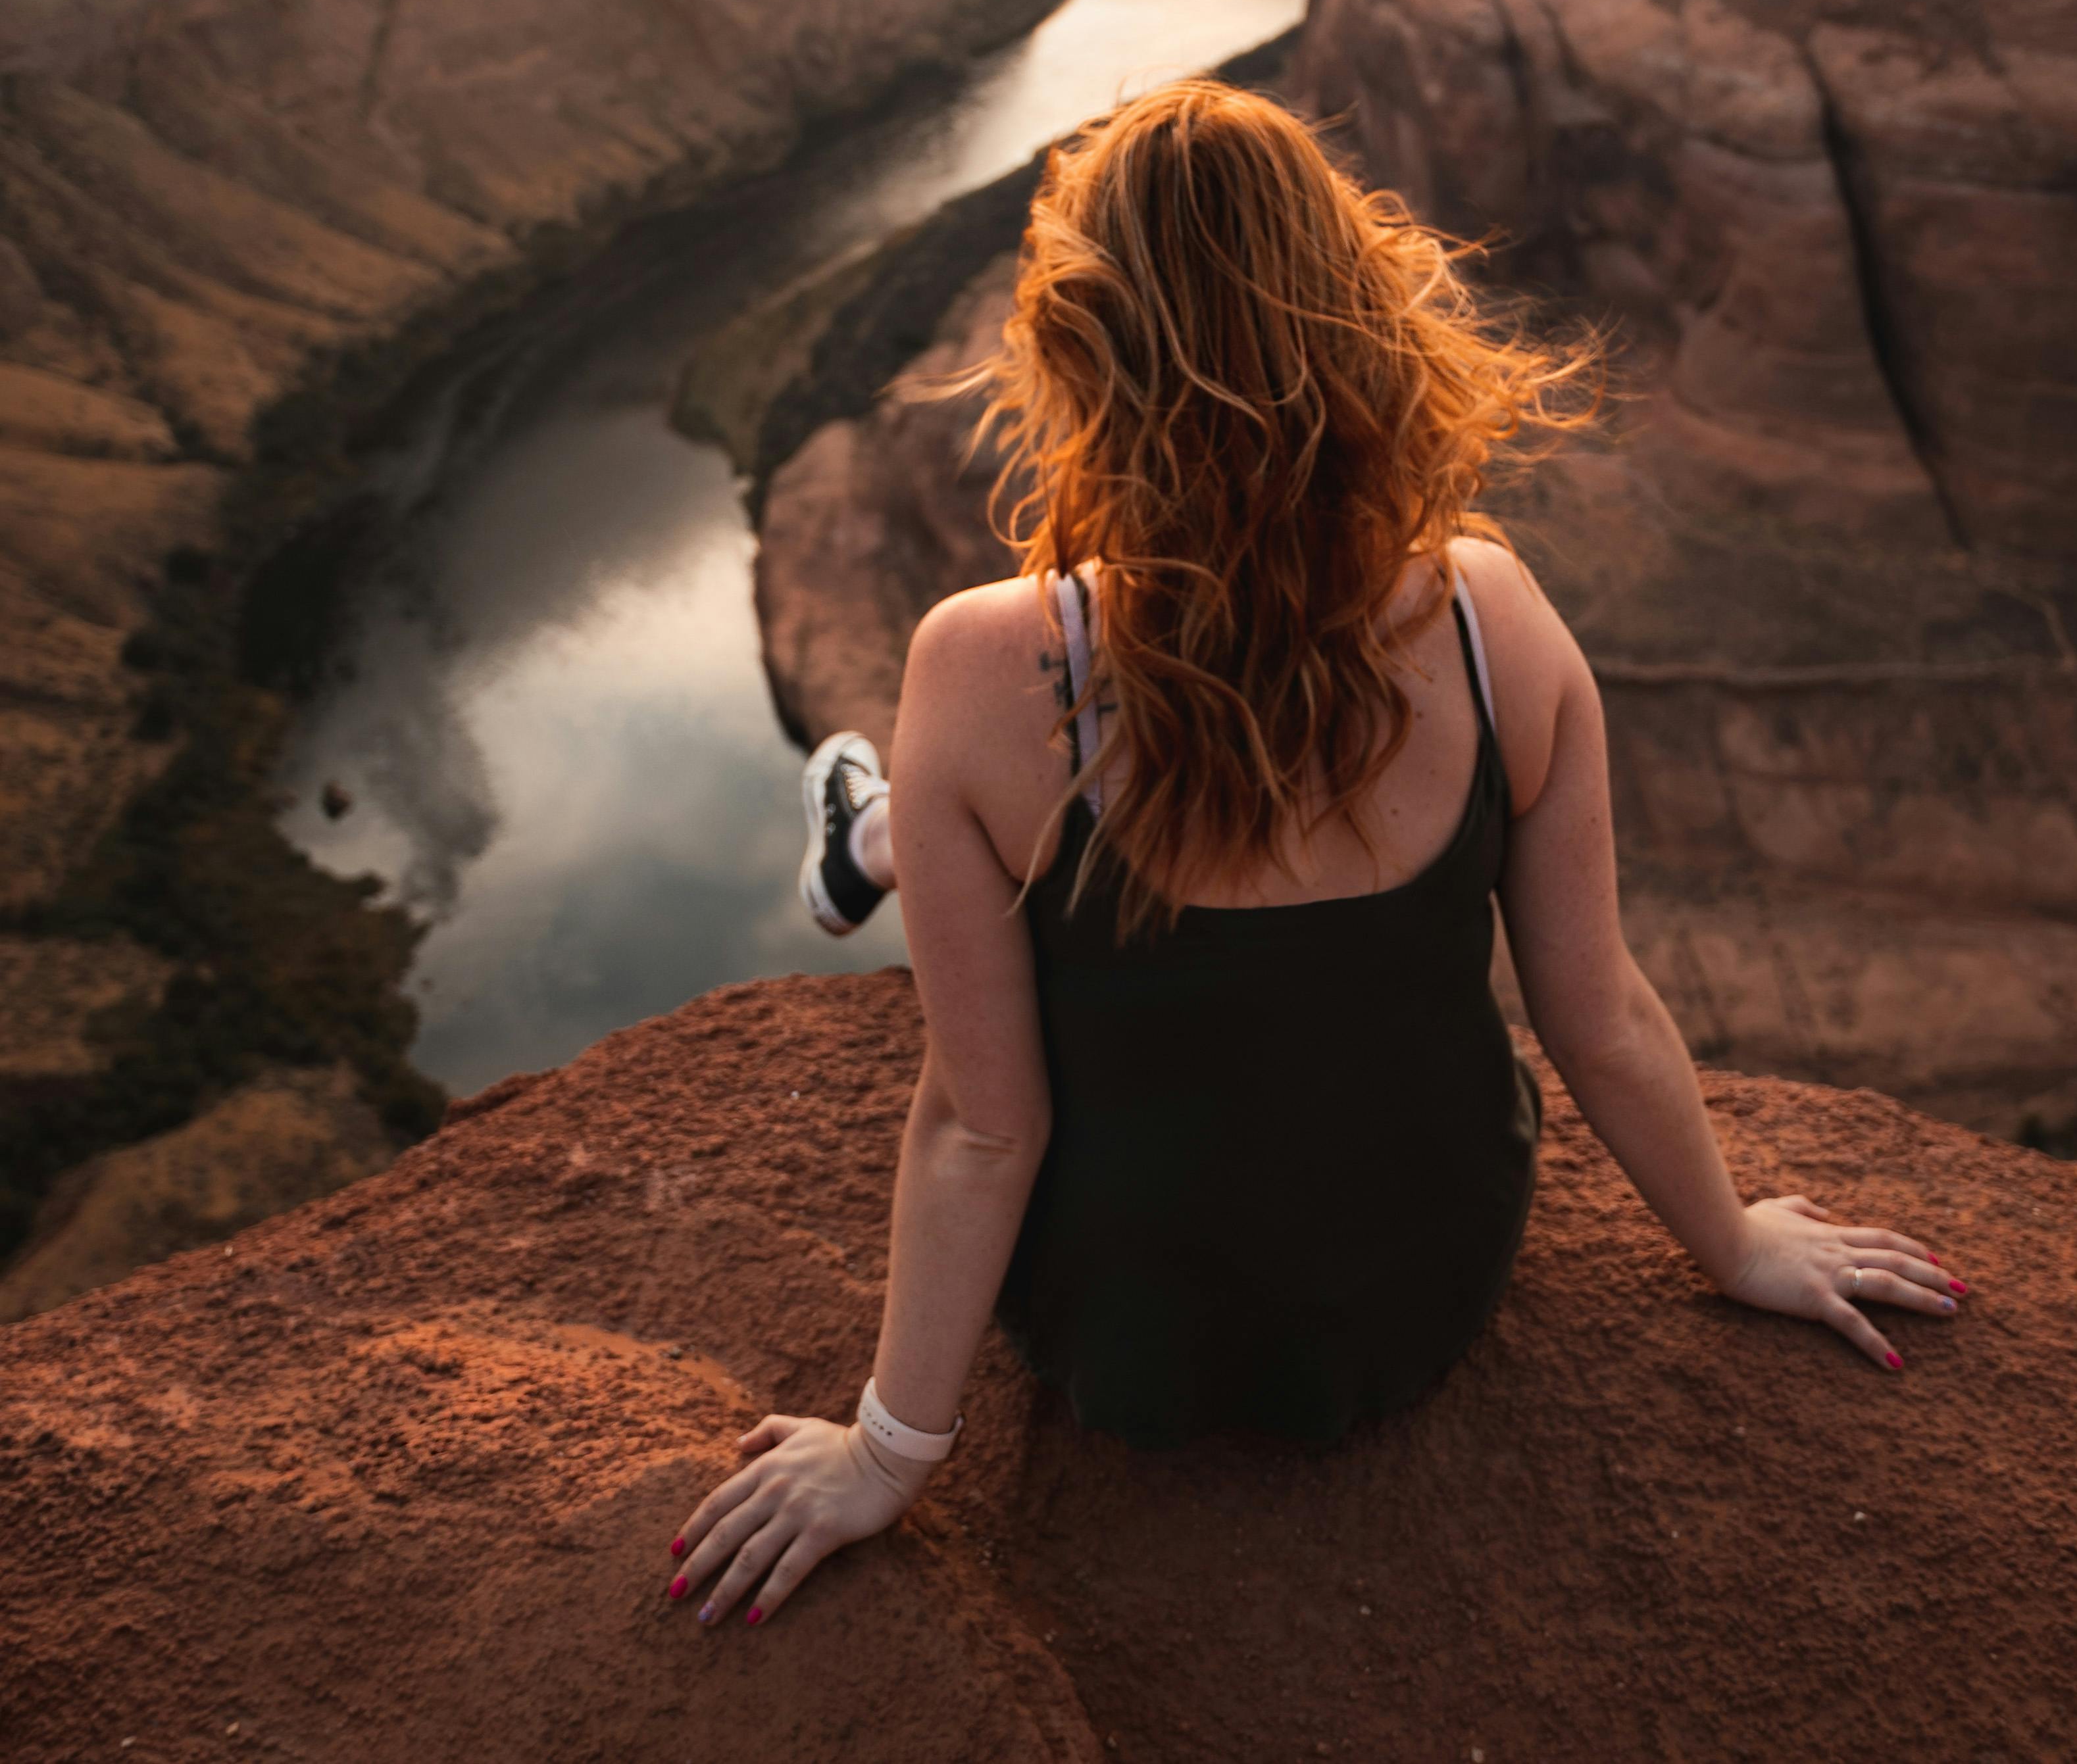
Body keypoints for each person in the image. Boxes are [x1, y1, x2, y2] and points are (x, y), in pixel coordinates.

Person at [669, 81, 1966, 1632]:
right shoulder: (1495, 623)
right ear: (1361, 314)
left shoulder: (979, 662)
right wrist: (1733, 1238)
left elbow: (979, 1131)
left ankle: (876, 832)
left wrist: (889, 1456)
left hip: (1127, 1336)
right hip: (1422, 1295)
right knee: (956, 813)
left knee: (954, 813)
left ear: (1079, 357)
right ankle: (885, 831)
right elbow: (1596, 1012)